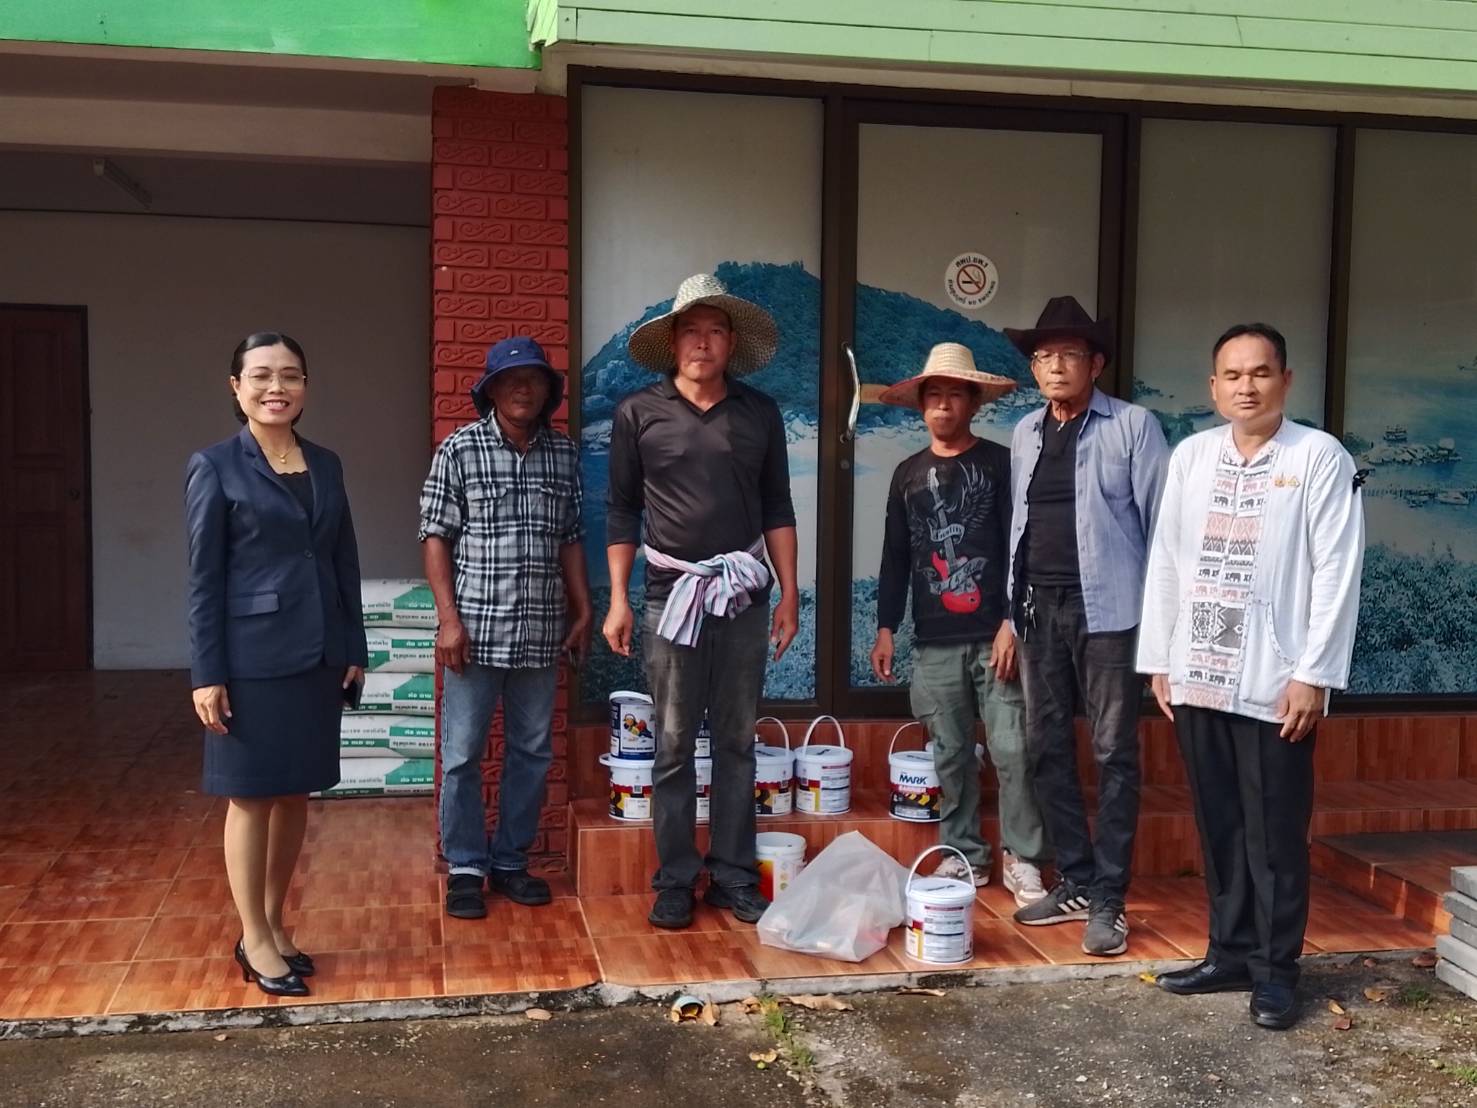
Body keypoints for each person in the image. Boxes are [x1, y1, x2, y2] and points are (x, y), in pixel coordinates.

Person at [1139, 323, 1364, 1030]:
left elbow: (1337, 570)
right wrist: (1161, 658)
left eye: (1260, 373)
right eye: (1232, 375)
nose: (1246, 387)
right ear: (1213, 387)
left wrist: (1314, 674)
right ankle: (1229, 953)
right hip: (1199, 671)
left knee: (1274, 831)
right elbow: (1167, 558)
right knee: (1220, 823)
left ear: (1285, 381)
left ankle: (1275, 970)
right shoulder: (1192, 456)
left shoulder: (1317, 456)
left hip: (1275, 678)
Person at [602, 272, 798, 931]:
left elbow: (777, 506)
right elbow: (621, 510)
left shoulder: (758, 412)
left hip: (743, 591)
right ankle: (676, 879)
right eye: (691, 330)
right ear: (673, 340)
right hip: (669, 595)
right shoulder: (638, 412)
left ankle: (734, 876)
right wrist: (618, 599)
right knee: (674, 741)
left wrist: (789, 592)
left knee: (737, 739)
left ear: (731, 343)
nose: (703, 342)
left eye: (715, 331)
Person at [185, 331, 367, 997]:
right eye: (260, 375)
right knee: (251, 794)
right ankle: (253, 937)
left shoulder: (326, 463)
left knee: (295, 792)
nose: (276, 387)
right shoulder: (214, 466)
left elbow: (342, 559)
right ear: (236, 387)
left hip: (319, 653)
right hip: (251, 658)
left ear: (305, 387)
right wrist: (207, 672)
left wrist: (354, 646)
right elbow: (204, 579)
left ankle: (274, 922)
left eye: (290, 375)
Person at [1003, 296, 1170, 956]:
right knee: (1045, 745)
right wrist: (1008, 614)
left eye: (1068, 354)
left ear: (1095, 363)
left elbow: (1162, 530)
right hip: (1036, 610)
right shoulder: (1025, 432)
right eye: (1044, 356)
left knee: (1112, 752)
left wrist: (1162, 632)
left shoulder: (1132, 426)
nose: (1054, 366)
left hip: (1109, 613)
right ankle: (1074, 877)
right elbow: (1018, 529)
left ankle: (1109, 897)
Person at [870, 342, 1049, 905]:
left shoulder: (1000, 464)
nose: (944, 405)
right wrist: (886, 626)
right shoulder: (906, 474)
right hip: (934, 638)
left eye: (955, 395)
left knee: (1013, 748)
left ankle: (1023, 857)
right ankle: (964, 853)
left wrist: (1011, 621)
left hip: (997, 635)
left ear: (973, 403)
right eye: (935, 396)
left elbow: (1022, 548)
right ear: (922, 405)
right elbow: (896, 556)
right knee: (949, 752)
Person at [418, 336, 591, 921]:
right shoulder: (459, 450)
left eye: (534, 379)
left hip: (541, 632)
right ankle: (467, 867)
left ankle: (512, 861)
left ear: (547, 391)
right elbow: (435, 538)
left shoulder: (563, 455)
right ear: (491, 389)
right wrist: (448, 620)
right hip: (473, 634)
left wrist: (582, 609)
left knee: (532, 752)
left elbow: (571, 537)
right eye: (511, 379)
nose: (523, 388)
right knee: (462, 755)